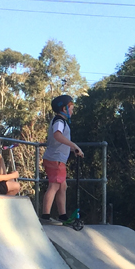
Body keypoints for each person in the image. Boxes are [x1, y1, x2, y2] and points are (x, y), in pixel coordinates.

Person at [41, 95, 84, 225]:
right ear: (64, 109)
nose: (72, 111)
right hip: (56, 159)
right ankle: (45, 216)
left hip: (58, 158)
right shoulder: (59, 121)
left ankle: (63, 215)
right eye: (71, 108)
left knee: (62, 186)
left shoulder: (61, 121)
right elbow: (57, 136)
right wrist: (74, 145)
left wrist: (73, 150)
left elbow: (59, 142)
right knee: (54, 185)